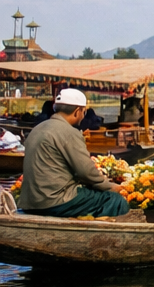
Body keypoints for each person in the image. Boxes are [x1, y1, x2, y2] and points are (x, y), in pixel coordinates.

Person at [17, 88, 132, 218]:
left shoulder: (37, 129)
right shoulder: (69, 132)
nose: (83, 116)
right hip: (54, 201)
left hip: (30, 201)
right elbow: (85, 172)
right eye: (84, 112)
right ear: (77, 112)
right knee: (115, 200)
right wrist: (108, 186)